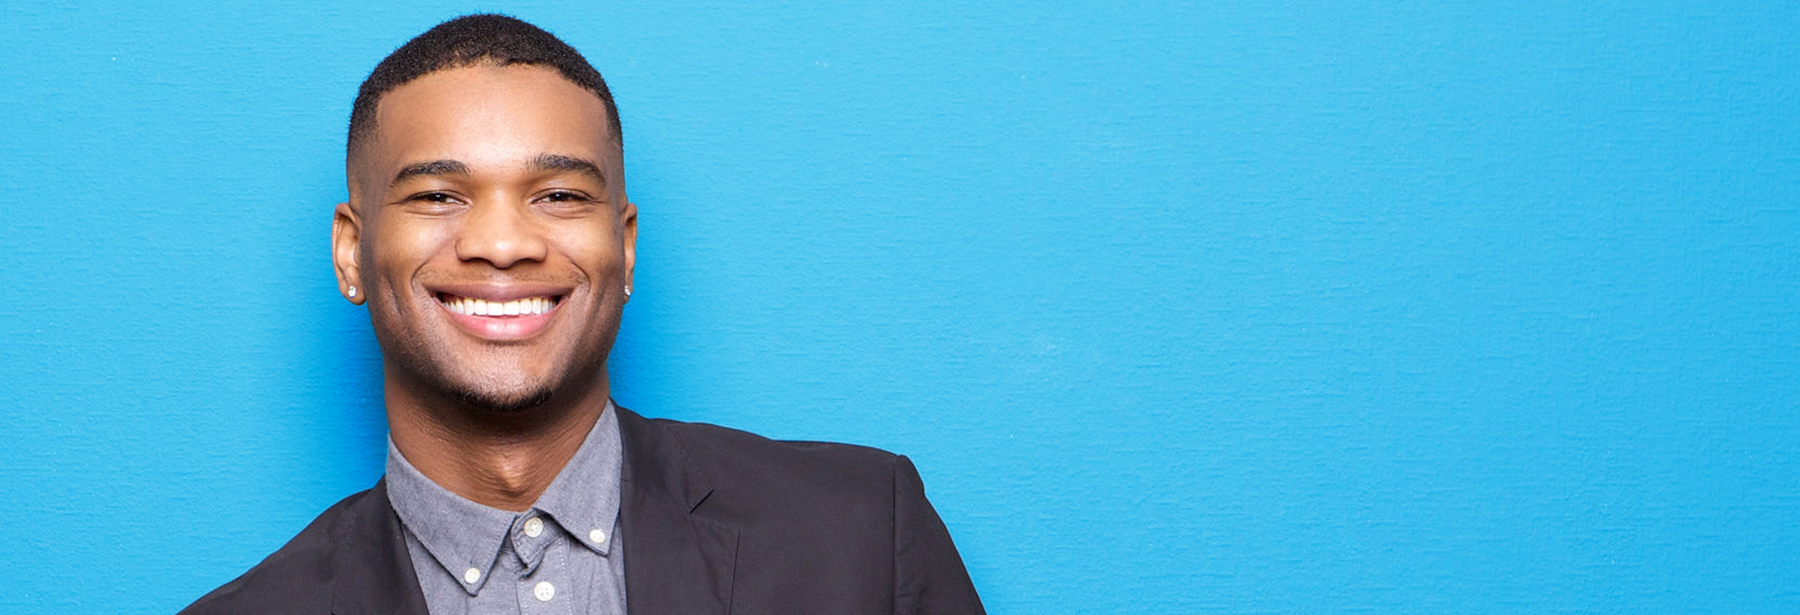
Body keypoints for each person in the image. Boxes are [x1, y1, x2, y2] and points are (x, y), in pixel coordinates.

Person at [181, 14, 983, 615]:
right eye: (437, 195)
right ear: (352, 253)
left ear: (624, 248)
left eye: (559, 195)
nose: (501, 242)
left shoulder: (861, 534)